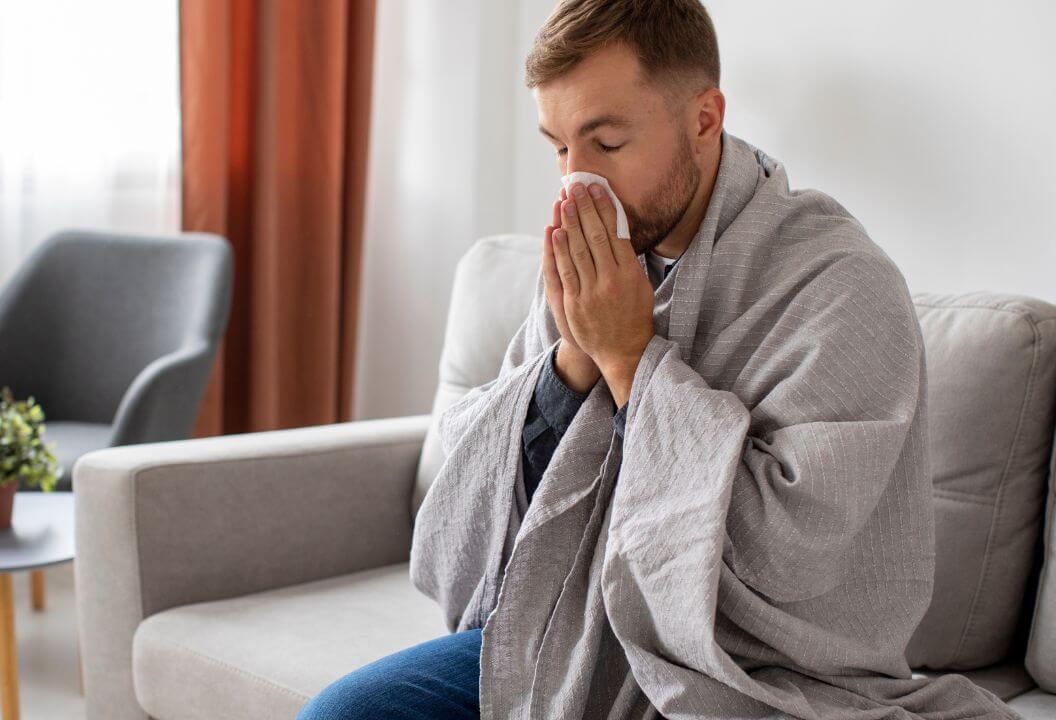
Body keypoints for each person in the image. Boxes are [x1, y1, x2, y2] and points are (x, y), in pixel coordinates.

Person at [299, 1, 1019, 718]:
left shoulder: (841, 286)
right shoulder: (593, 258)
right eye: (558, 147)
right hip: (573, 633)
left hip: (751, 675)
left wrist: (630, 358)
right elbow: (494, 496)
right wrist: (574, 360)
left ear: (704, 120)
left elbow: (786, 554)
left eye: (607, 143)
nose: (577, 183)